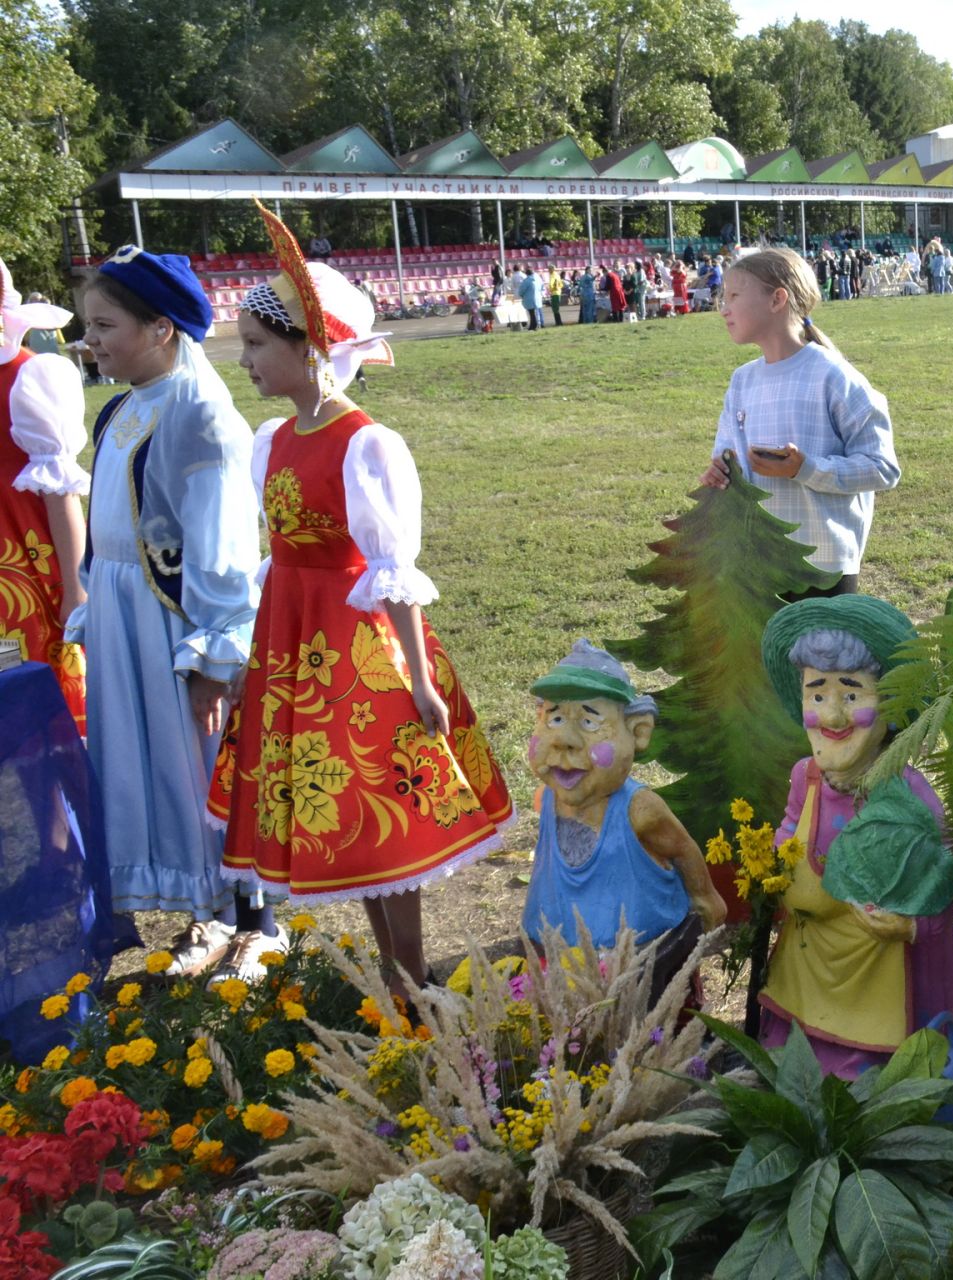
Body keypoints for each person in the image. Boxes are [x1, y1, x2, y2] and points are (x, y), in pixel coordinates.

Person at [211, 205, 514, 997]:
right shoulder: (271, 440)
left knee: (378, 804)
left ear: (310, 349)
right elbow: (271, 554)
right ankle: (393, 972)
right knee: (331, 806)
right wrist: (252, 658)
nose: (242, 359)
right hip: (289, 638)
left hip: (355, 647)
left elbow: (392, 569)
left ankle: (411, 977)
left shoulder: (366, 444)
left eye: (254, 345)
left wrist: (417, 679)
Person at [73, 245, 265, 976]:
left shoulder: (200, 419)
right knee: (156, 766)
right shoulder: (122, 408)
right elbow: (108, 519)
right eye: (89, 325)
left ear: (160, 328)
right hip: (125, 612)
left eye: (104, 324)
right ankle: (205, 911)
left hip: (175, 620)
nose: (91, 340)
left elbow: (220, 548)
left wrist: (216, 654)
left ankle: (254, 918)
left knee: (204, 760)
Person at [755, 595, 953, 1080]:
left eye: (852, 695)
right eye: (817, 695)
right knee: (796, 1049)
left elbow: (946, 876)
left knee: (885, 1071)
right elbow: (791, 830)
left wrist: (913, 927)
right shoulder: (806, 779)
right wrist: (774, 870)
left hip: (884, 971)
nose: (833, 716)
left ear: (891, 707)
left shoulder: (909, 795)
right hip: (810, 964)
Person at [698, 248, 899, 597]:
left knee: (820, 653)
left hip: (822, 569)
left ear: (777, 299)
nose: (724, 308)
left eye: (733, 296)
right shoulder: (742, 380)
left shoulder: (833, 376)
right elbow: (727, 455)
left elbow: (882, 468)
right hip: (757, 563)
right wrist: (720, 472)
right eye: (722, 298)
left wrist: (805, 469)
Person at [521, 640, 726, 963]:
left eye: (589, 722)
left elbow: (682, 849)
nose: (564, 741)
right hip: (552, 950)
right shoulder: (549, 797)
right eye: (555, 719)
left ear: (638, 731)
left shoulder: (639, 810)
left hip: (637, 958)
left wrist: (704, 896)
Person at [1, 260, 89, 729]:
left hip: (21, 566)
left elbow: (61, 492)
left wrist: (74, 588)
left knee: (27, 690)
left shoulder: (29, 377)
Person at [517, 264, 544, 330]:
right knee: (534, 313)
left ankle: (534, 325)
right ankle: (535, 325)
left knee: (532, 313)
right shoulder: (538, 279)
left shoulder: (527, 281)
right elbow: (542, 287)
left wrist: (521, 295)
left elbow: (521, 290)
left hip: (530, 299)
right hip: (537, 298)